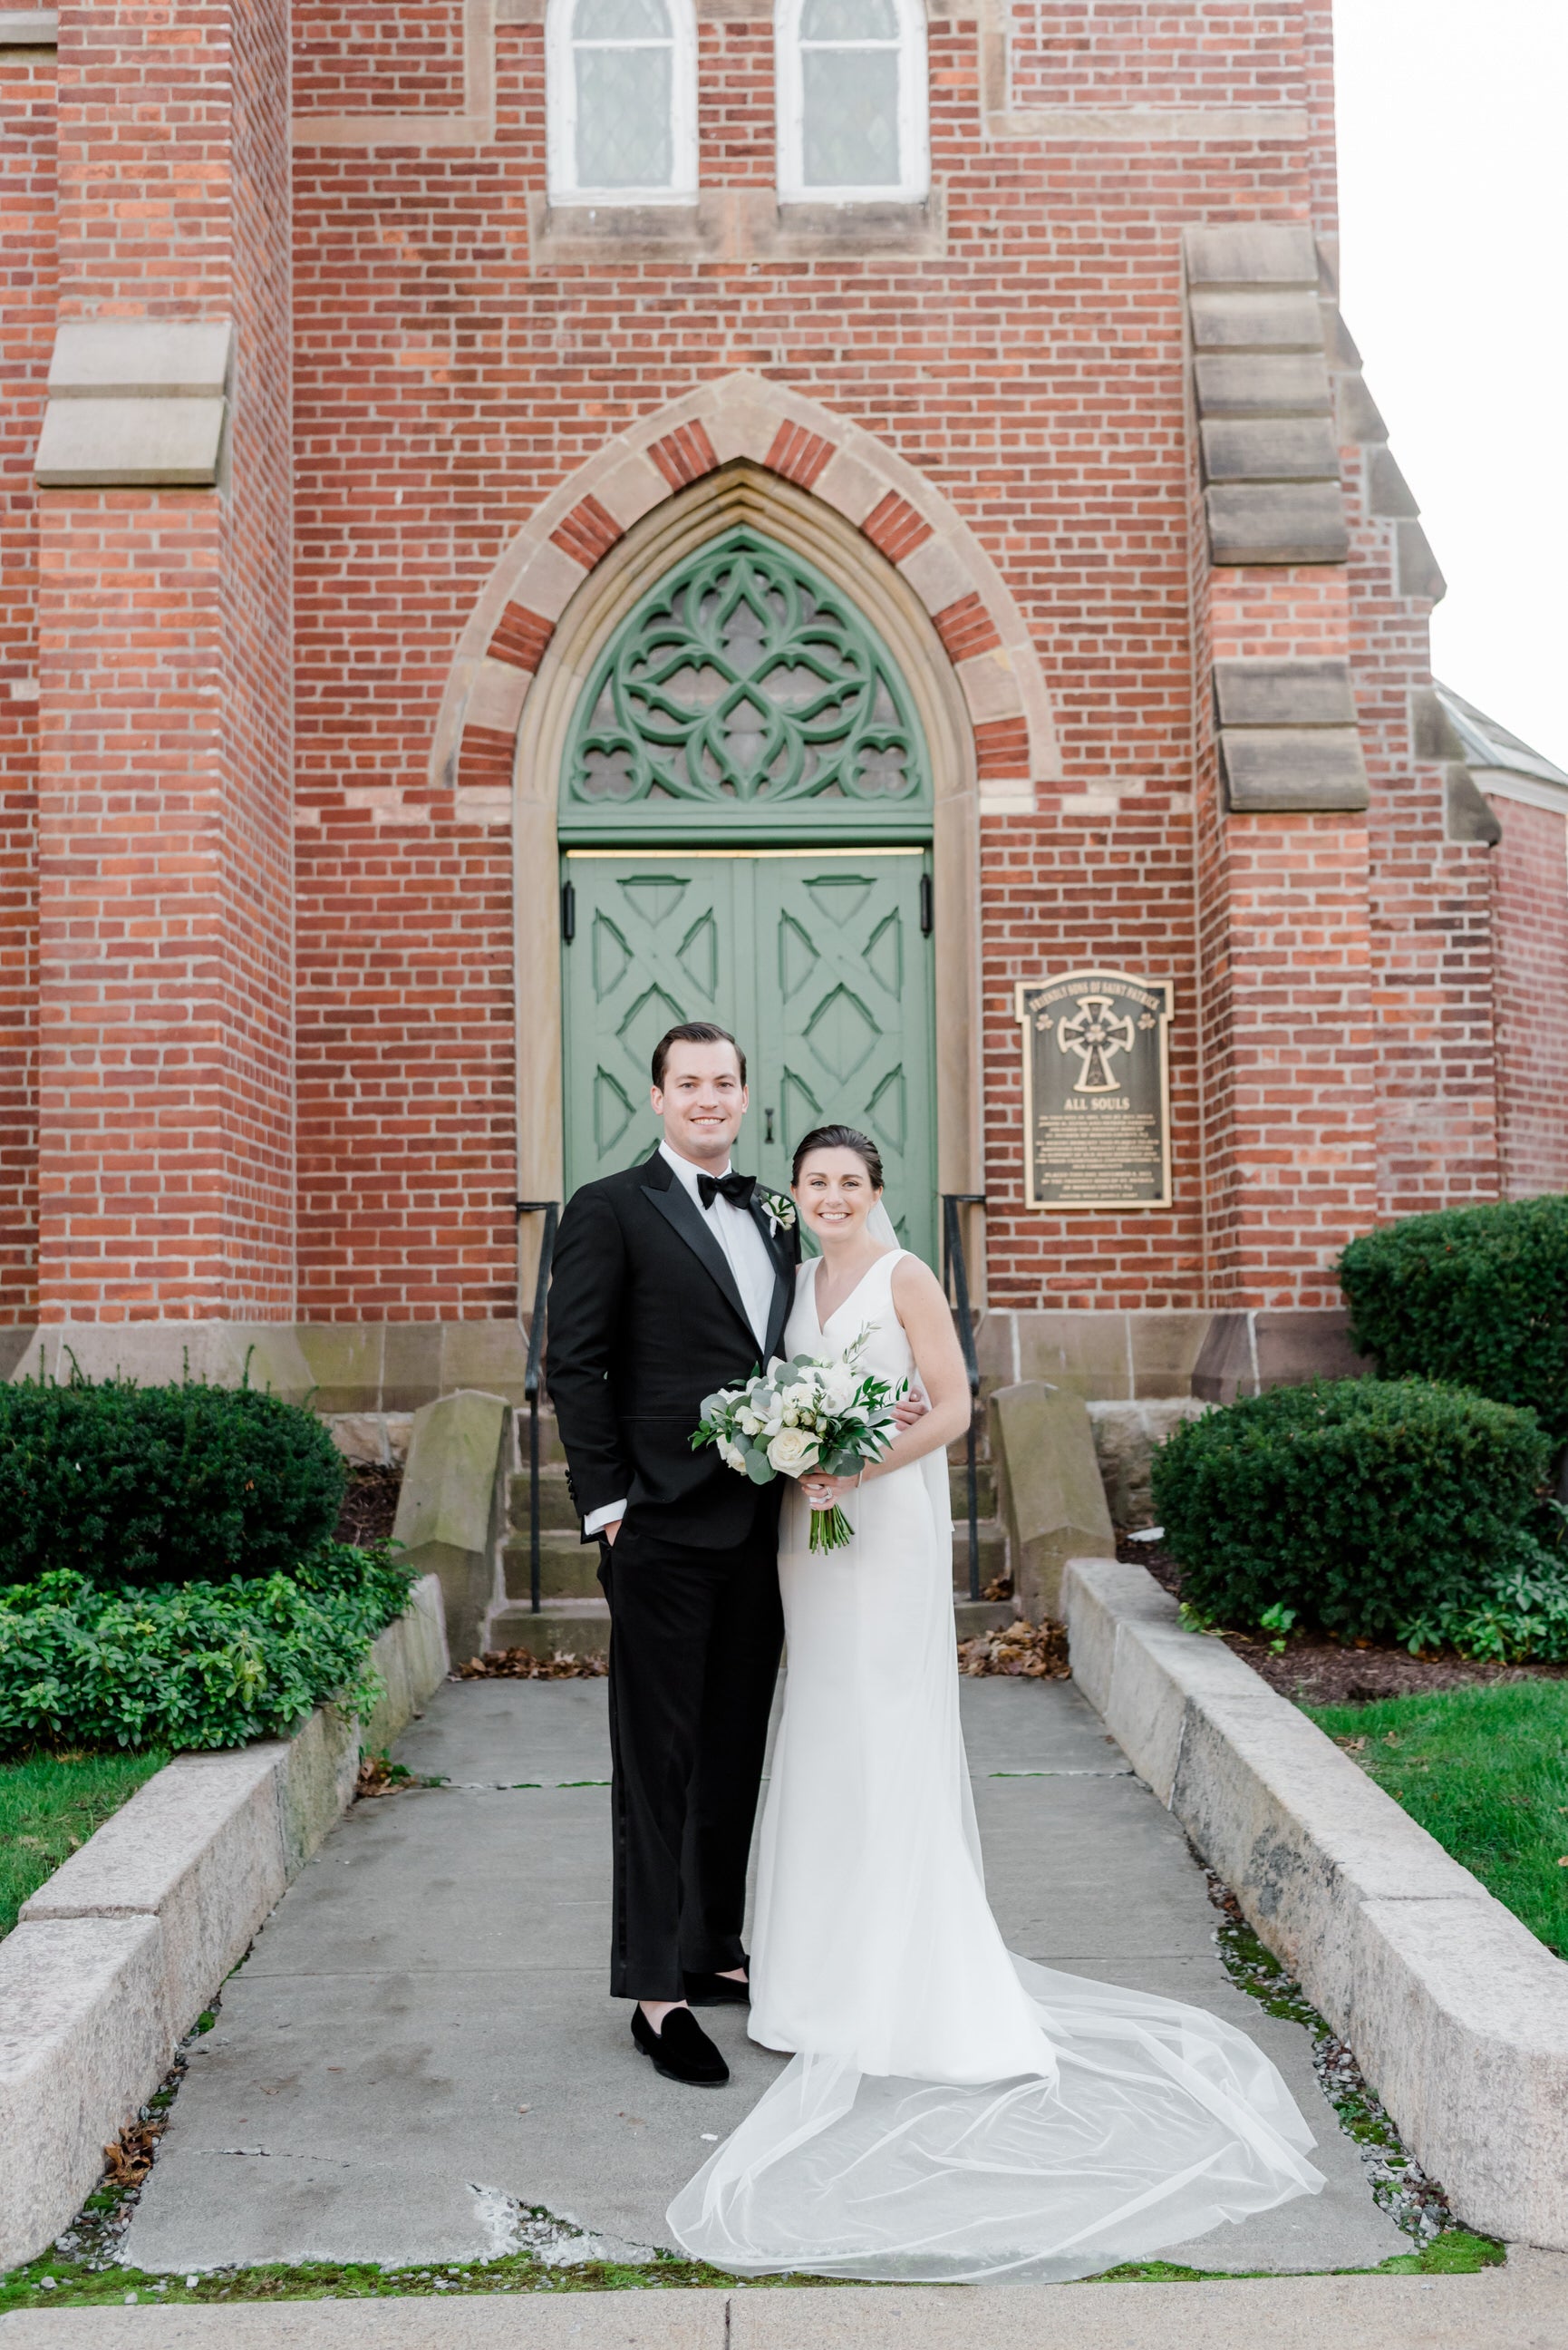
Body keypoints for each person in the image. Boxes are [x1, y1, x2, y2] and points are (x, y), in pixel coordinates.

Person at [666, 1124, 1326, 2282]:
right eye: (814, 1183)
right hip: (806, 1537)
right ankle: (813, 1979)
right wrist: (790, 1456)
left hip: (879, 1520)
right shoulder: (795, 1278)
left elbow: (954, 1409)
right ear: (799, 1195)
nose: (829, 1197)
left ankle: (904, 1980)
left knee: (882, 1726)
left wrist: (848, 1465)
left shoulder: (905, 1274)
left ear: (878, 1190)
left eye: (849, 1183)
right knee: (818, 1732)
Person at [545, 1028, 924, 2087]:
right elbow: (573, 1362)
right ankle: (656, 1993)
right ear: (657, 1097)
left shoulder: (770, 1208)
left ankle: (711, 1949)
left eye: (724, 1084)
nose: (708, 1099)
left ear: (743, 1097)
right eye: (689, 1084)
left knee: (730, 1752)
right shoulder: (607, 1209)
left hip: (764, 1528)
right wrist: (607, 1503)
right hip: (658, 1527)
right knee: (656, 1761)